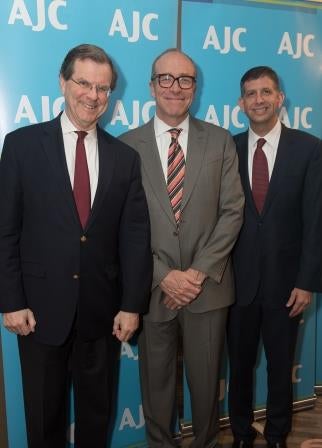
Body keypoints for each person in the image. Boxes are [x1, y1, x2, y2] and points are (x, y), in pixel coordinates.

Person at [0, 44, 152, 448]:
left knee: (95, 419)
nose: (93, 95)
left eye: (103, 88)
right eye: (84, 83)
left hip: (102, 315)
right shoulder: (21, 146)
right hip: (38, 313)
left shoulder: (125, 158)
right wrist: (11, 301)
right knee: (43, 420)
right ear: (63, 83)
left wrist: (132, 304)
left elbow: (134, 238)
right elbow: (5, 231)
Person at [120, 48, 244, 448]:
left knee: (206, 388)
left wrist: (196, 273)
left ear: (196, 86)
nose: (175, 88)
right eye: (166, 79)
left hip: (207, 289)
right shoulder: (124, 146)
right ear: (151, 86)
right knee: (155, 389)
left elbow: (232, 211)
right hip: (153, 289)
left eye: (185, 79)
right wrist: (163, 276)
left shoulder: (220, 141)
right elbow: (121, 226)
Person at [228, 66, 322, 448]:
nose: (259, 100)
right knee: (239, 367)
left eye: (266, 92)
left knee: (281, 367)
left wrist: (307, 281)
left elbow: (316, 219)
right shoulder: (227, 148)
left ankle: (279, 434)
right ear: (241, 103)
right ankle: (240, 433)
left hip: (288, 285)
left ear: (280, 98)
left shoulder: (309, 149)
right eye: (251, 94)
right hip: (236, 284)